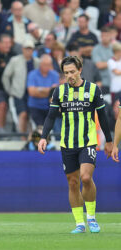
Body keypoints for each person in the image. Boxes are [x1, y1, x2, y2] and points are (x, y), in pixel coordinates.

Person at [38, 56, 113, 234]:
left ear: (80, 70)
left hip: (88, 141)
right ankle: (80, 223)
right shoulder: (59, 91)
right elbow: (51, 116)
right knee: (73, 183)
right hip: (68, 143)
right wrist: (43, 137)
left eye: (72, 72)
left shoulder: (93, 89)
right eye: (66, 73)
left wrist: (109, 141)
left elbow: (102, 116)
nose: (69, 76)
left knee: (86, 178)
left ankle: (92, 218)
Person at [2, 39, 40, 136]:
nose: (28, 51)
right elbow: (6, 76)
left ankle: (31, 138)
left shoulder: (37, 62)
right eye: (26, 49)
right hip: (19, 93)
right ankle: (22, 137)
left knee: (32, 117)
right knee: (23, 115)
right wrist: (10, 91)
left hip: (33, 93)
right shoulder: (15, 60)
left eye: (30, 49)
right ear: (23, 49)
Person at [27, 54, 59, 127]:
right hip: (35, 106)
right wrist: (49, 90)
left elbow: (55, 93)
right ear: (40, 64)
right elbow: (31, 92)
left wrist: (39, 90)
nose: (46, 67)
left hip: (50, 107)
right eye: (45, 64)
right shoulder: (32, 74)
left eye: (48, 65)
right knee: (40, 128)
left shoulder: (55, 75)